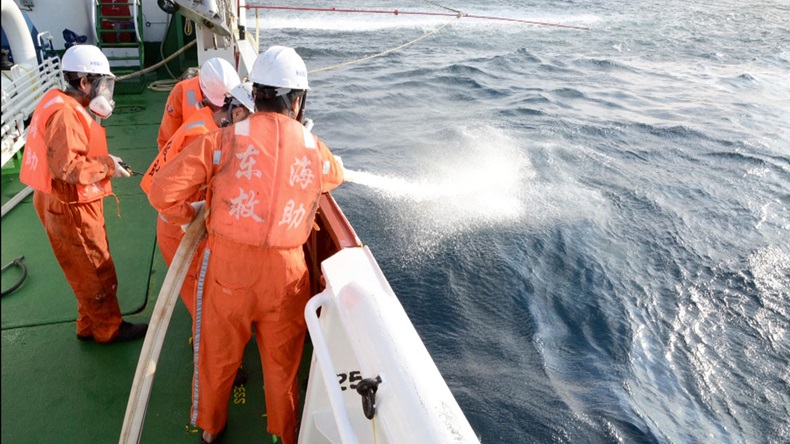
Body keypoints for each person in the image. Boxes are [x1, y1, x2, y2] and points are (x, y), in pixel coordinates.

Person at [148, 46, 345, 444]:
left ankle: (210, 429)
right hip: (288, 276)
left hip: (228, 272)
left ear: (254, 94)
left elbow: (161, 191)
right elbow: (334, 176)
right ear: (298, 99)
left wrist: (195, 217)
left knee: (217, 356)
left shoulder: (223, 139)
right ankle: (286, 434)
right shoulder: (312, 146)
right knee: (282, 364)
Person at [19, 44, 148, 343]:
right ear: (84, 82)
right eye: (101, 83)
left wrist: (106, 162)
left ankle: (87, 323)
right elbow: (68, 168)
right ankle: (108, 329)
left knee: (80, 268)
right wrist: (107, 166)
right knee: (95, 266)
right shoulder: (65, 115)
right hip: (70, 203)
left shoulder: (57, 100)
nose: (105, 90)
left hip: (55, 198)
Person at [141, 81, 252, 318]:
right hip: (179, 228)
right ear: (239, 113)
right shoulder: (205, 138)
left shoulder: (208, 120)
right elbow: (164, 195)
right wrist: (190, 217)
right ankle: (201, 349)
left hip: (188, 219)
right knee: (201, 303)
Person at [156, 57, 240, 150]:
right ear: (204, 93)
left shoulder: (237, 99)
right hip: (189, 156)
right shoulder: (181, 93)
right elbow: (166, 139)